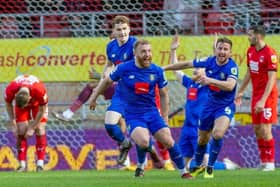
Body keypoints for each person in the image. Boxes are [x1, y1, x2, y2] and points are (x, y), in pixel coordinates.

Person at [89, 39, 193, 179]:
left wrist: (165, 118)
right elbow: (107, 81)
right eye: (143, 51)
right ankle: (140, 165)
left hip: (152, 112)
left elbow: (164, 95)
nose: (147, 54)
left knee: (168, 141)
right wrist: (94, 96)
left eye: (149, 51)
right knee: (143, 140)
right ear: (135, 53)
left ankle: (184, 172)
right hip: (133, 114)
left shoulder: (156, 70)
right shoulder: (124, 68)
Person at [164, 36, 238, 178]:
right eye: (219, 48)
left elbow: (229, 85)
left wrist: (209, 79)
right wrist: (167, 62)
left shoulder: (212, 79)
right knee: (188, 160)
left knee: (216, 135)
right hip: (189, 127)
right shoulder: (190, 83)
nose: (195, 71)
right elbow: (181, 68)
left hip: (221, 108)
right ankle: (192, 171)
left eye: (225, 49)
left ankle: (219, 166)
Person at [235, 25, 278, 171]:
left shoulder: (270, 53)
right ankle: (264, 161)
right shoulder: (250, 51)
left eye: (250, 34)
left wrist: (263, 100)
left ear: (258, 36)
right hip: (256, 94)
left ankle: (271, 162)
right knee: (257, 129)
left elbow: (272, 79)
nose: (248, 37)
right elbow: (249, 72)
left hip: (268, 95)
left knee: (266, 128)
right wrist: (240, 91)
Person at [4, 75, 48, 172]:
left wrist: (32, 127)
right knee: (21, 129)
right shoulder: (10, 89)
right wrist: (13, 124)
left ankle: (40, 164)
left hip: (38, 104)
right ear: (15, 96)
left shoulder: (39, 90)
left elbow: (42, 110)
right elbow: (8, 105)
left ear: (30, 98)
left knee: (40, 128)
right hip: (21, 102)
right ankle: (22, 164)